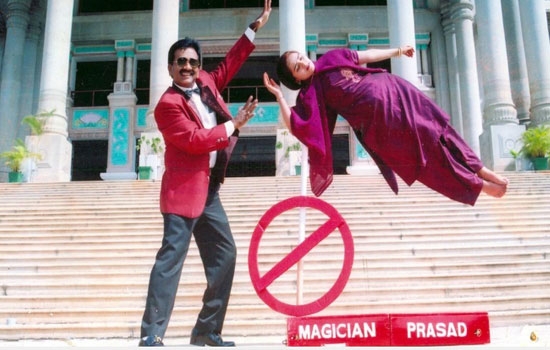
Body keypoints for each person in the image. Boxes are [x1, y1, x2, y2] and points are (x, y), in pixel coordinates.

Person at [139, 1, 272, 347]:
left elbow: (230, 62)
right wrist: (234, 124)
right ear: (171, 67)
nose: (188, 66)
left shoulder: (208, 82)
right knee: (169, 265)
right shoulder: (167, 105)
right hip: (182, 194)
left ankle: (206, 331)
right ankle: (151, 335)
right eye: (181, 61)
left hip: (209, 192)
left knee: (225, 256)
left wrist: (253, 28)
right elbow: (196, 141)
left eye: (193, 62)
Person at [263, 46, 508, 206]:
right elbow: (297, 124)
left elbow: (366, 56)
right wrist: (280, 97)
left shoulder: (332, 56)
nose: (304, 63)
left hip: (398, 93)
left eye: (301, 57)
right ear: (296, 79)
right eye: (298, 67)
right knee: (425, 162)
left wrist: (398, 51)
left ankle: (480, 168)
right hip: (383, 129)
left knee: (439, 129)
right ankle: (479, 186)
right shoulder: (311, 95)